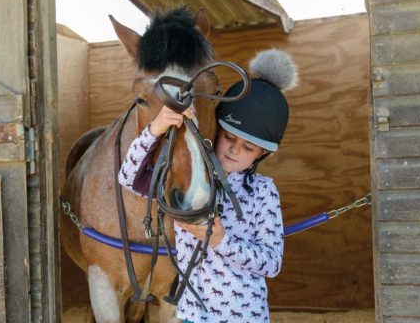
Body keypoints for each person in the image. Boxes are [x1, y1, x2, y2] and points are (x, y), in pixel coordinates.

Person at [118, 49, 297, 322]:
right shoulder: (190, 179)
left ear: (262, 154)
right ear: (215, 130)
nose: (234, 150)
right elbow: (128, 178)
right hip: (191, 315)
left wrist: (221, 241)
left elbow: (272, 263)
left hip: (244, 316)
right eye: (228, 138)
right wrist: (155, 128)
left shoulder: (263, 191)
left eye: (248, 147)